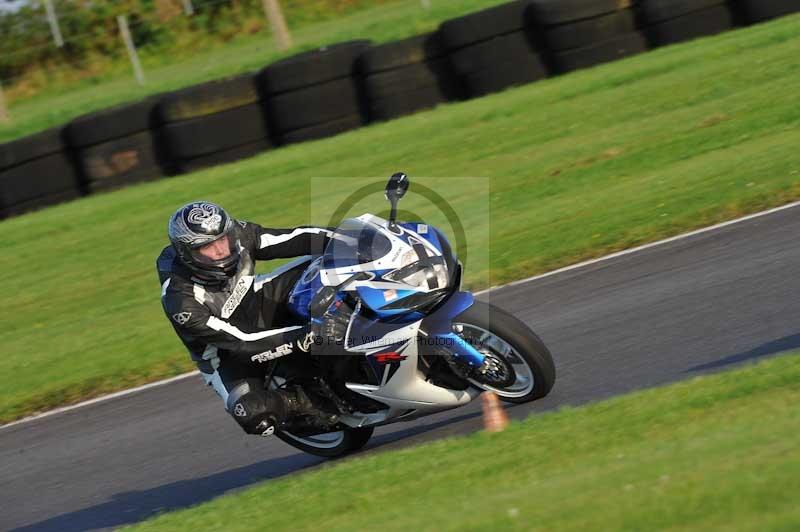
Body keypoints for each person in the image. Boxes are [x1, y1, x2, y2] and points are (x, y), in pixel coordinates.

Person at [156, 201, 350, 437]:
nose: (221, 251)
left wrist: (347, 239)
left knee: (322, 266)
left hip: (256, 303)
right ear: (187, 253)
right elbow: (242, 341)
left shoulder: (237, 235)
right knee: (254, 414)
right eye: (208, 247)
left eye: (222, 240)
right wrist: (302, 336)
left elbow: (293, 238)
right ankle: (308, 400)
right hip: (228, 354)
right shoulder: (181, 300)